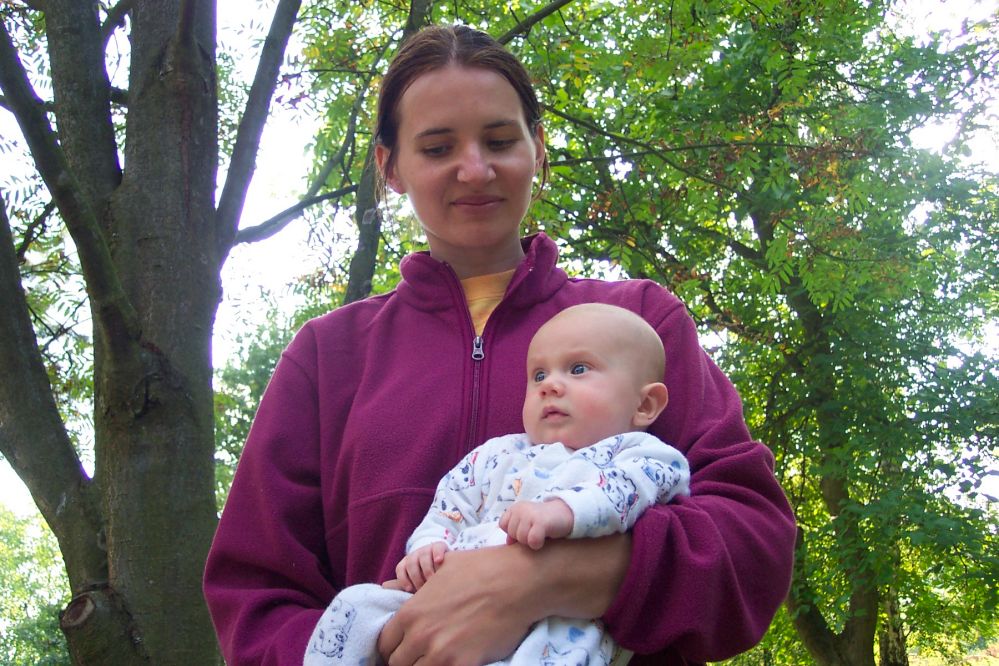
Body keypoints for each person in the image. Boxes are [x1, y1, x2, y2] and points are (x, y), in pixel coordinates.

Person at [204, 24, 797, 666]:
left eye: (499, 140)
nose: (475, 169)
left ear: (537, 149)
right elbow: (253, 598)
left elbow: (753, 542)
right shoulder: (327, 358)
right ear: (390, 167)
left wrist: (547, 579)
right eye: (437, 147)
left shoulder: (641, 323)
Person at [303, 303, 691, 666]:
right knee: (357, 605)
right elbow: (452, 503)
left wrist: (564, 512)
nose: (549, 386)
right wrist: (427, 548)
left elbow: (629, 489)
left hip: (564, 619)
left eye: (577, 369)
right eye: (539, 375)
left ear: (644, 405)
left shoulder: (640, 453)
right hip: (443, 593)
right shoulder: (499, 453)